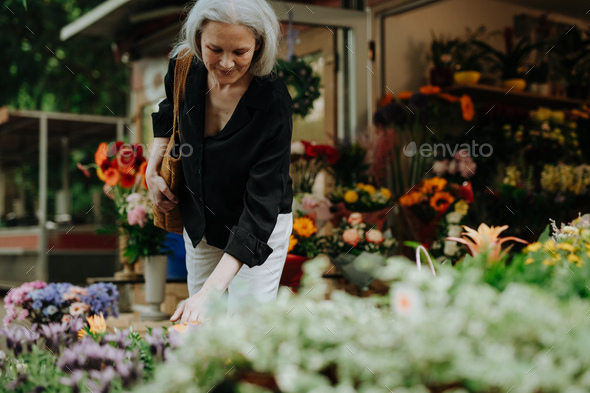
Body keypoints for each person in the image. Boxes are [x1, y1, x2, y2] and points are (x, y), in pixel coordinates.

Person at [146, 0, 293, 325]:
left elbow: (261, 205)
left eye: (240, 52)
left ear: (259, 46)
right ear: (198, 39)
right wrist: (152, 168)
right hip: (202, 219)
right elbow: (169, 108)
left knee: (246, 330)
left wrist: (212, 288)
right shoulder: (186, 66)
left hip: (257, 223)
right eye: (215, 49)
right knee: (199, 326)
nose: (226, 63)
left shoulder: (273, 103)